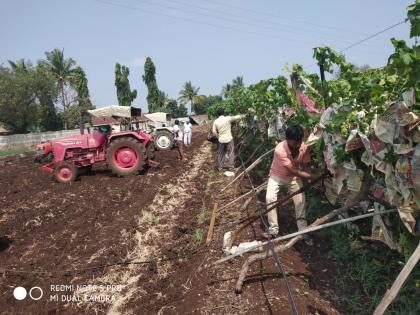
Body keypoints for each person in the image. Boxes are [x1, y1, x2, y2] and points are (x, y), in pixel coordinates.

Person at [264, 125, 317, 245]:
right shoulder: (280, 149)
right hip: (277, 176)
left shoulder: (304, 146)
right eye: (295, 142)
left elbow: (305, 166)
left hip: (293, 179)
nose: (298, 144)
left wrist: (315, 181)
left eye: (300, 141)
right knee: (270, 198)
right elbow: (293, 170)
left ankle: (303, 231)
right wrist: (312, 177)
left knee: (300, 201)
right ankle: (273, 230)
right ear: (287, 139)